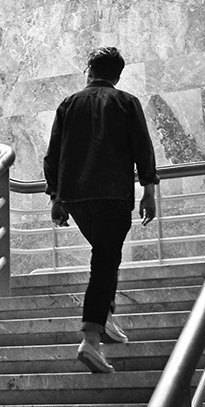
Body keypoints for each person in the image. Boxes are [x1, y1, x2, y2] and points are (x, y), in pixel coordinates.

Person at [43, 46, 159, 374]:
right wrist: (148, 191)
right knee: (105, 261)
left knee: (106, 255)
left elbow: (53, 155)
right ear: (118, 75)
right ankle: (91, 340)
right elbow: (143, 148)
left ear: (89, 70)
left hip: (76, 199)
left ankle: (105, 318)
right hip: (112, 195)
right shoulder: (126, 102)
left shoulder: (68, 104)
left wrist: (56, 197)